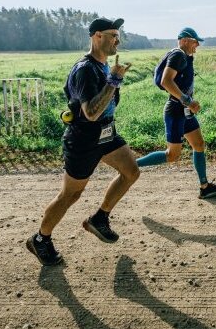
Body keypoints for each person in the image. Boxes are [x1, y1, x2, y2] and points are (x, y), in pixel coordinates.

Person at [26, 17, 140, 266]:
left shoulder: (103, 66)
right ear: (97, 36)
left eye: (118, 35)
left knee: (131, 171)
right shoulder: (85, 69)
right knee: (70, 195)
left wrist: (112, 78)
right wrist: (115, 80)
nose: (117, 40)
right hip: (84, 139)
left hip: (106, 133)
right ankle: (40, 239)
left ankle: (99, 218)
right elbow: (90, 113)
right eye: (113, 35)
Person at [137, 27, 216, 199]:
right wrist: (188, 101)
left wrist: (188, 103)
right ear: (184, 40)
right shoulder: (178, 55)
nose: (197, 45)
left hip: (185, 111)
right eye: (195, 41)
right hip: (176, 111)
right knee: (172, 155)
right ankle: (132, 165)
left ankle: (205, 186)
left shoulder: (184, 56)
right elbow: (166, 81)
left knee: (198, 144)